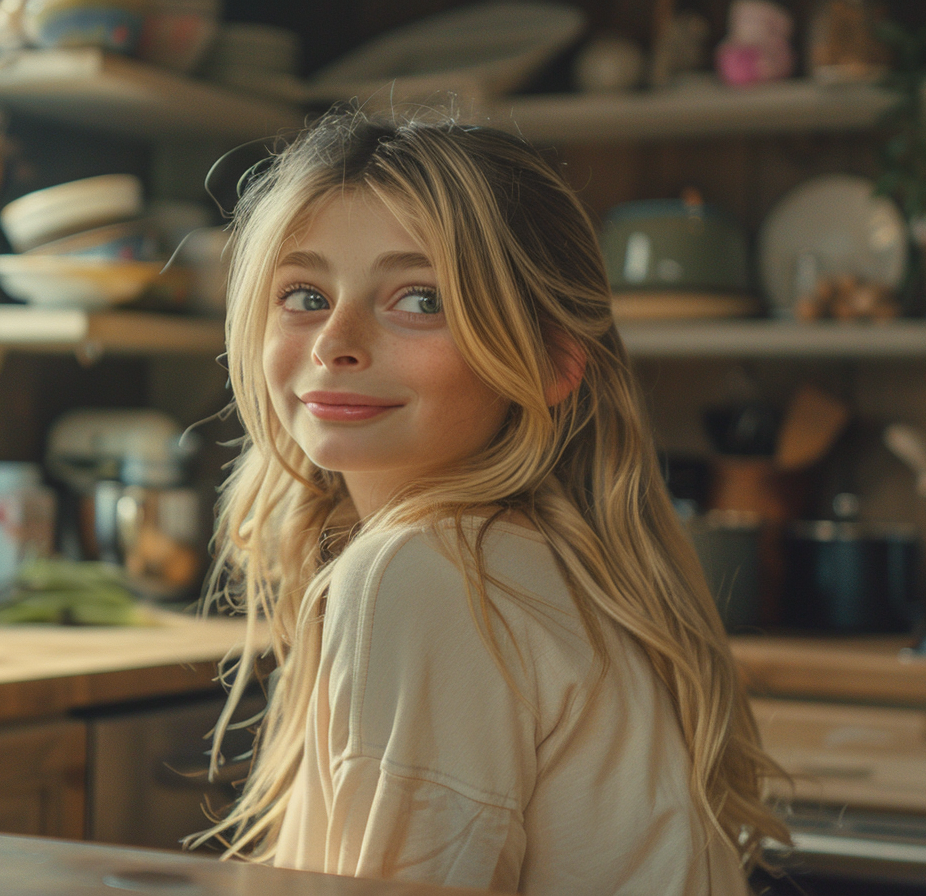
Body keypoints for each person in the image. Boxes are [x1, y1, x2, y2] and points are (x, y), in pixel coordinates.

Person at [191, 108, 789, 894]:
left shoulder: (427, 572)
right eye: (303, 293)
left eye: (420, 300)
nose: (337, 338)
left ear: (552, 361)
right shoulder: (542, 561)